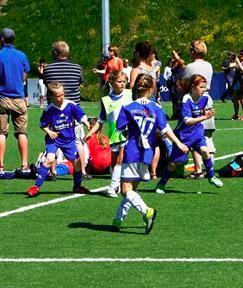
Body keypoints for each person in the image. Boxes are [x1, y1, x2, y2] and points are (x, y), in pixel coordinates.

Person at [112, 74, 187, 234]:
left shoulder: (128, 107)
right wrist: (178, 143)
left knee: (125, 190)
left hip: (132, 151)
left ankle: (147, 211)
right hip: (148, 153)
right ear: (152, 89)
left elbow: (119, 128)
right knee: (132, 189)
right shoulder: (157, 108)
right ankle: (118, 218)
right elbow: (165, 129)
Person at [156, 74, 223, 193]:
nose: (204, 89)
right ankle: (162, 183)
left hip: (197, 132)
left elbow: (201, 112)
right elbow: (188, 121)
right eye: (201, 87)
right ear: (193, 87)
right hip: (183, 135)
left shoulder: (205, 98)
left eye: (204, 87)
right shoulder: (186, 99)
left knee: (205, 151)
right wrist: (205, 117)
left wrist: (208, 112)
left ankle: (211, 176)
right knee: (175, 162)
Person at [26, 82, 91, 197]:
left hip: (69, 140)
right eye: (58, 95)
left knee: (77, 163)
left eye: (63, 94)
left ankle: (77, 187)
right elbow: (42, 125)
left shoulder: (70, 105)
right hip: (54, 140)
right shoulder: (49, 110)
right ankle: (36, 187)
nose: (61, 97)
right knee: (49, 159)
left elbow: (81, 116)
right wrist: (49, 132)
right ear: (51, 97)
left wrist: (87, 124)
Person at [42, 40, 90, 179]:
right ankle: (82, 170)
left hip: (54, 111)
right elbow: (80, 82)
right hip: (73, 110)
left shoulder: (48, 68)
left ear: (55, 53)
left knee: (53, 139)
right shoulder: (76, 68)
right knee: (77, 141)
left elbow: (48, 84)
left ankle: (52, 170)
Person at [85, 70, 132, 197]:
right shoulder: (106, 100)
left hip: (128, 133)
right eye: (119, 81)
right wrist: (90, 133)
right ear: (111, 82)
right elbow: (100, 121)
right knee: (114, 162)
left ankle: (112, 187)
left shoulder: (130, 94)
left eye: (124, 81)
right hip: (114, 134)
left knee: (120, 161)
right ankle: (116, 183)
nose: (122, 84)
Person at [181, 40, 216, 179]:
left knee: (195, 133)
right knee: (207, 134)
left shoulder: (190, 66)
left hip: (196, 99)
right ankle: (209, 167)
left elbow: (184, 81)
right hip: (207, 97)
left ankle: (199, 169)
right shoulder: (209, 65)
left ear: (193, 52)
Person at [0, 28, 31, 175]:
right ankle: (25, 165)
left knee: (1, 133)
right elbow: (24, 76)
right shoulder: (21, 56)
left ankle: (0, 166)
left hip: (2, 98)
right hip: (18, 98)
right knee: (21, 132)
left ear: (2, 39)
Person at [230, 49, 243, 121]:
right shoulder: (239, 62)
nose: (240, 56)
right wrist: (232, 60)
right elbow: (229, 66)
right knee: (234, 99)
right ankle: (236, 114)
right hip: (236, 82)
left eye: (242, 54)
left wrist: (238, 62)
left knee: (242, 99)